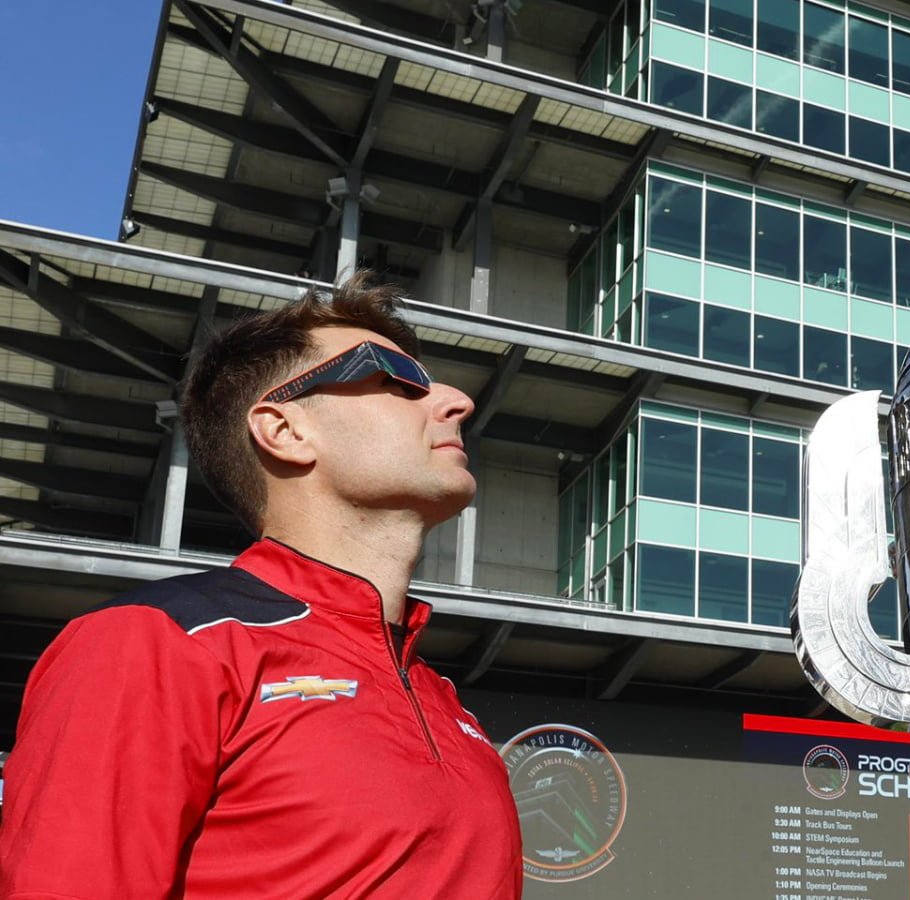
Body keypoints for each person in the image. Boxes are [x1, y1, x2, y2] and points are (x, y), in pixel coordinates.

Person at [0, 275, 521, 896]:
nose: (456, 400)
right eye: (392, 381)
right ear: (284, 430)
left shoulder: (443, 698)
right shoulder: (154, 643)